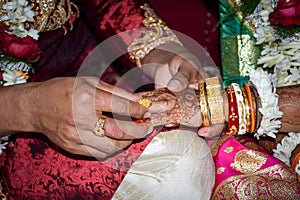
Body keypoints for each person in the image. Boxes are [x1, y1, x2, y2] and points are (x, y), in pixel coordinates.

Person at [0, 0, 221, 198]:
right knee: (175, 167)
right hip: (12, 130)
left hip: (96, 77)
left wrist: (159, 50)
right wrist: (25, 108)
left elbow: (107, 4)